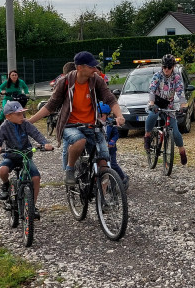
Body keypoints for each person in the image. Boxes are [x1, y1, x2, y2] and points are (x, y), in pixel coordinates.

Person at [28, 51, 124, 186]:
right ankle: (70, 169)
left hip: (92, 125)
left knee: (104, 163)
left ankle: (103, 202)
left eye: (95, 66)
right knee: (80, 141)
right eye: (91, 67)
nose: (95, 70)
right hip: (70, 125)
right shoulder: (65, 82)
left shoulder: (97, 80)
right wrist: (30, 121)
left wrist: (119, 115)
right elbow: (51, 106)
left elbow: (109, 98)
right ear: (79, 67)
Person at [0, 100, 54, 209]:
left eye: (23, 113)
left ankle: (32, 206)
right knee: (2, 170)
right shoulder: (4, 126)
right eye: (18, 114)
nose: (22, 116)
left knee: (35, 178)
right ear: (8, 116)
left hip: (25, 156)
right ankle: (6, 185)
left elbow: (36, 134)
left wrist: (45, 144)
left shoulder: (25, 124)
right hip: (11, 156)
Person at [144, 53, 189, 166]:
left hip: (169, 104)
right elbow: (152, 90)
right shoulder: (158, 75)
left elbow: (180, 91)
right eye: (164, 67)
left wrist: (183, 106)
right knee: (153, 115)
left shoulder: (177, 77)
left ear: (173, 67)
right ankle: (147, 136)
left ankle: (182, 151)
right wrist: (152, 103)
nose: (166, 69)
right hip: (157, 102)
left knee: (176, 132)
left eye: (169, 67)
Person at [99, 102, 128, 187]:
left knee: (113, 164)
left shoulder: (111, 124)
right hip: (100, 149)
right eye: (98, 116)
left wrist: (112, 142)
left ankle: (123, 178)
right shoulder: (95, 124)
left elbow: (116, 135)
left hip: (110, 149)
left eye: (102, 116)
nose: (100, 118)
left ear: (107, 115)